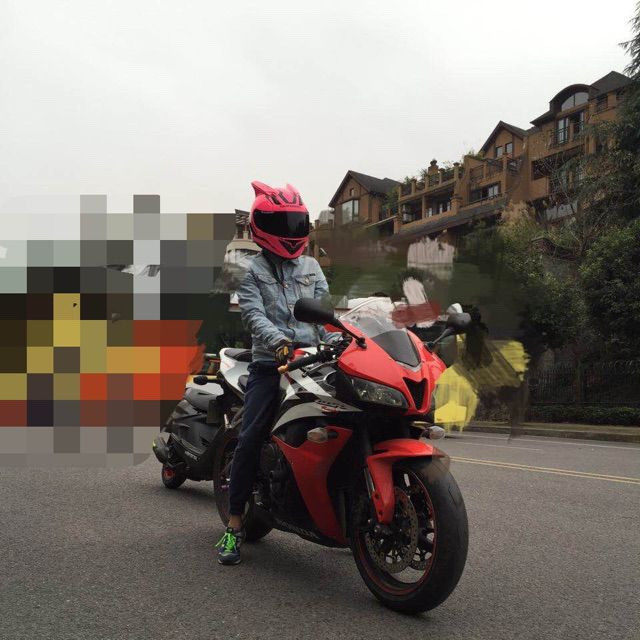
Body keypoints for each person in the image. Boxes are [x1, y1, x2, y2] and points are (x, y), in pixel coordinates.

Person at [217, 181, 341, 565]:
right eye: (282, 223)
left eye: (296, 223)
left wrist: (342, 337)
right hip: (270, 365)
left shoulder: (312, 266)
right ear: (262, 225)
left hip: (314, 362)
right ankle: (233, 526)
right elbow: (254, 316)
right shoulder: (251, 271)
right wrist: (279, 342)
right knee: (250, 437)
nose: (291, 231)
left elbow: (325, 314)